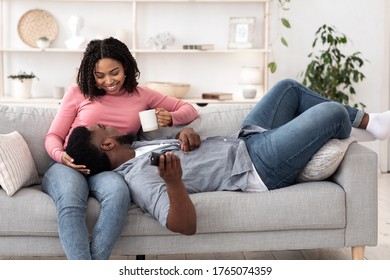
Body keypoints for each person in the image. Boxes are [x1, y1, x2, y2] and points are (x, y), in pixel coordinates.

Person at [65, 79, 390, 236]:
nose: (109, 123)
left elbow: (181, 135)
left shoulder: (138, 147)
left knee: (288, 89)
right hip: (258, 165)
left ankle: (365, 126)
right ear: (106, 145)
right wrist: (175, 183)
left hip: (243, 141)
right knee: (331, 111)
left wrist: (183, 134)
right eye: (102, 127)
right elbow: (184, 226)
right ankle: (366, 126)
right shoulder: (140, 178)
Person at [42, 37, 199, 259]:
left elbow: (189, 109)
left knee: (118, 194)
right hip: (67, 164)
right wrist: (61, 156)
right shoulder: (78, 92)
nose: (108, 81)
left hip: (108, 169)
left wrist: (171, 118)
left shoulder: (142, 95)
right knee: (70, 197)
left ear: (126, 66)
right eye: (100, 76)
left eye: (114, 72)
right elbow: (53, 136)